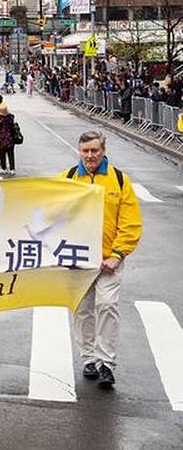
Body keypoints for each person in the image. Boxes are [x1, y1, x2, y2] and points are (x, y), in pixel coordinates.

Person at [61, 131, 142, 390]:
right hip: (79, 260)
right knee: (82, 311)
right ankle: (88, 359)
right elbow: (45, 207)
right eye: (85, 151)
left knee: (107, 306)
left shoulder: (119, 180)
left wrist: (118, 254)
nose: (90, 156)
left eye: (95, 151)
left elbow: (129, 223)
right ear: (79, 151)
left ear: (103, 151)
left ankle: (105, 363)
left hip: (109, 260)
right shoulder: (68, 179)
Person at [0, 104, 17, 175]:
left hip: (3, 139)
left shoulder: (1, 120)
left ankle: (4, 168)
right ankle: (12, 169)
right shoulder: (11, 118)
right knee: (11, 154)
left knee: (2, 154)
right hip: (11, 139)